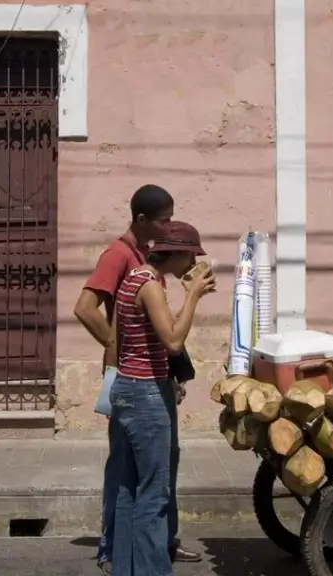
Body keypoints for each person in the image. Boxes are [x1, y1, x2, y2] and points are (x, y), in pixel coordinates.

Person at [72, 184, 202, 575]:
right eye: (163, 221)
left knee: (139, 480)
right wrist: (117, 346)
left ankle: (140, 555)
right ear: (143, 220)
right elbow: (85, 308)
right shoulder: (122, 259)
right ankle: (124, 554)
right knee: (144, 485)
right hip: (139, 386)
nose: (167, 227)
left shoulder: (141, 266)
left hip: (141, 378)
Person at [109, 221, 216, 576]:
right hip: (144, 395)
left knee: (128, 490)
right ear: (177, 253)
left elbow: (128, 340)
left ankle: (125, 568)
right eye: (191, 256)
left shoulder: (134, 277)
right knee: (154, 495)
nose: (192, 264)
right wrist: (194, 297)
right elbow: (172, 341)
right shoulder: (151, 286)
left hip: (126, 388)